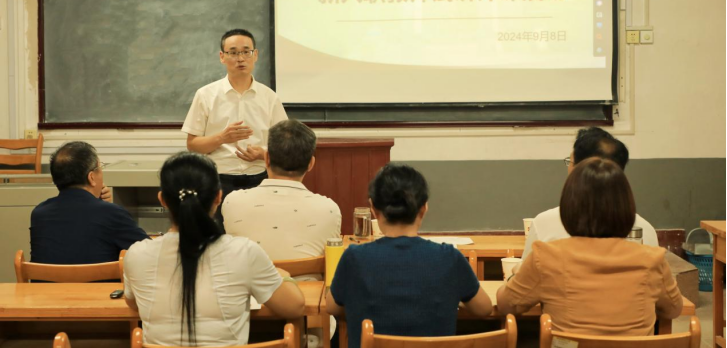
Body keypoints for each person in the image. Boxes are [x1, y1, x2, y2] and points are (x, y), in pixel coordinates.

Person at [123, 152, 305, 346]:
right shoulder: (243, 253)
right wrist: (283, 276)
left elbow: (134, 304)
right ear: (218, 196)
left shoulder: (136, 255)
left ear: (162, 200)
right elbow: (294, 307)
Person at [498, 158, 683, 336]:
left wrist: (516, 274)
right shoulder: (652, 260)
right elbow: (674, 309)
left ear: (568, 207)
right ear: (626, 207)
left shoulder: (546, 257)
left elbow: (506, 305)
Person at [326, 164, 493, 348]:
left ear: (373, 208)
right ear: (424, 208)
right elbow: (484, 308)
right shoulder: (450, 258)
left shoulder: (354, 258)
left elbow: (332, 306)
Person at [182, 29, 288, 223]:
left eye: (246, 52)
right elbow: (193, 145)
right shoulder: (205, 95)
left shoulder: (269, 97)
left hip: (260, 179)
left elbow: (284, 146)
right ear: (222, 57)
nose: (240, 58)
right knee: (219, 235)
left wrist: (263, 154)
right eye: (233, 52)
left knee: (258, 231)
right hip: (219, 179)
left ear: (255, 55)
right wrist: (222, 138)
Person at [522, 127, 658, 258]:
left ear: (578, 171)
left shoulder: (544, 225)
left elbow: (525, 272)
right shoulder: (645, 231)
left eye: (570, 162)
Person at [223, 119, 341, 266]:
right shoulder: (329, 209)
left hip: (250, 282)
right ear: (311, 164)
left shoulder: (233, 202)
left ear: (266, 158)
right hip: (307, 282)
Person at [30, 141, 148, 265]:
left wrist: (102, 204)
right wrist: (107, 208)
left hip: (47, 279)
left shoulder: (39, 214)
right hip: (101, 279)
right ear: (91, 177)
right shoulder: (112, 213)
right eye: (100, 168)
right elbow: (150, 254)